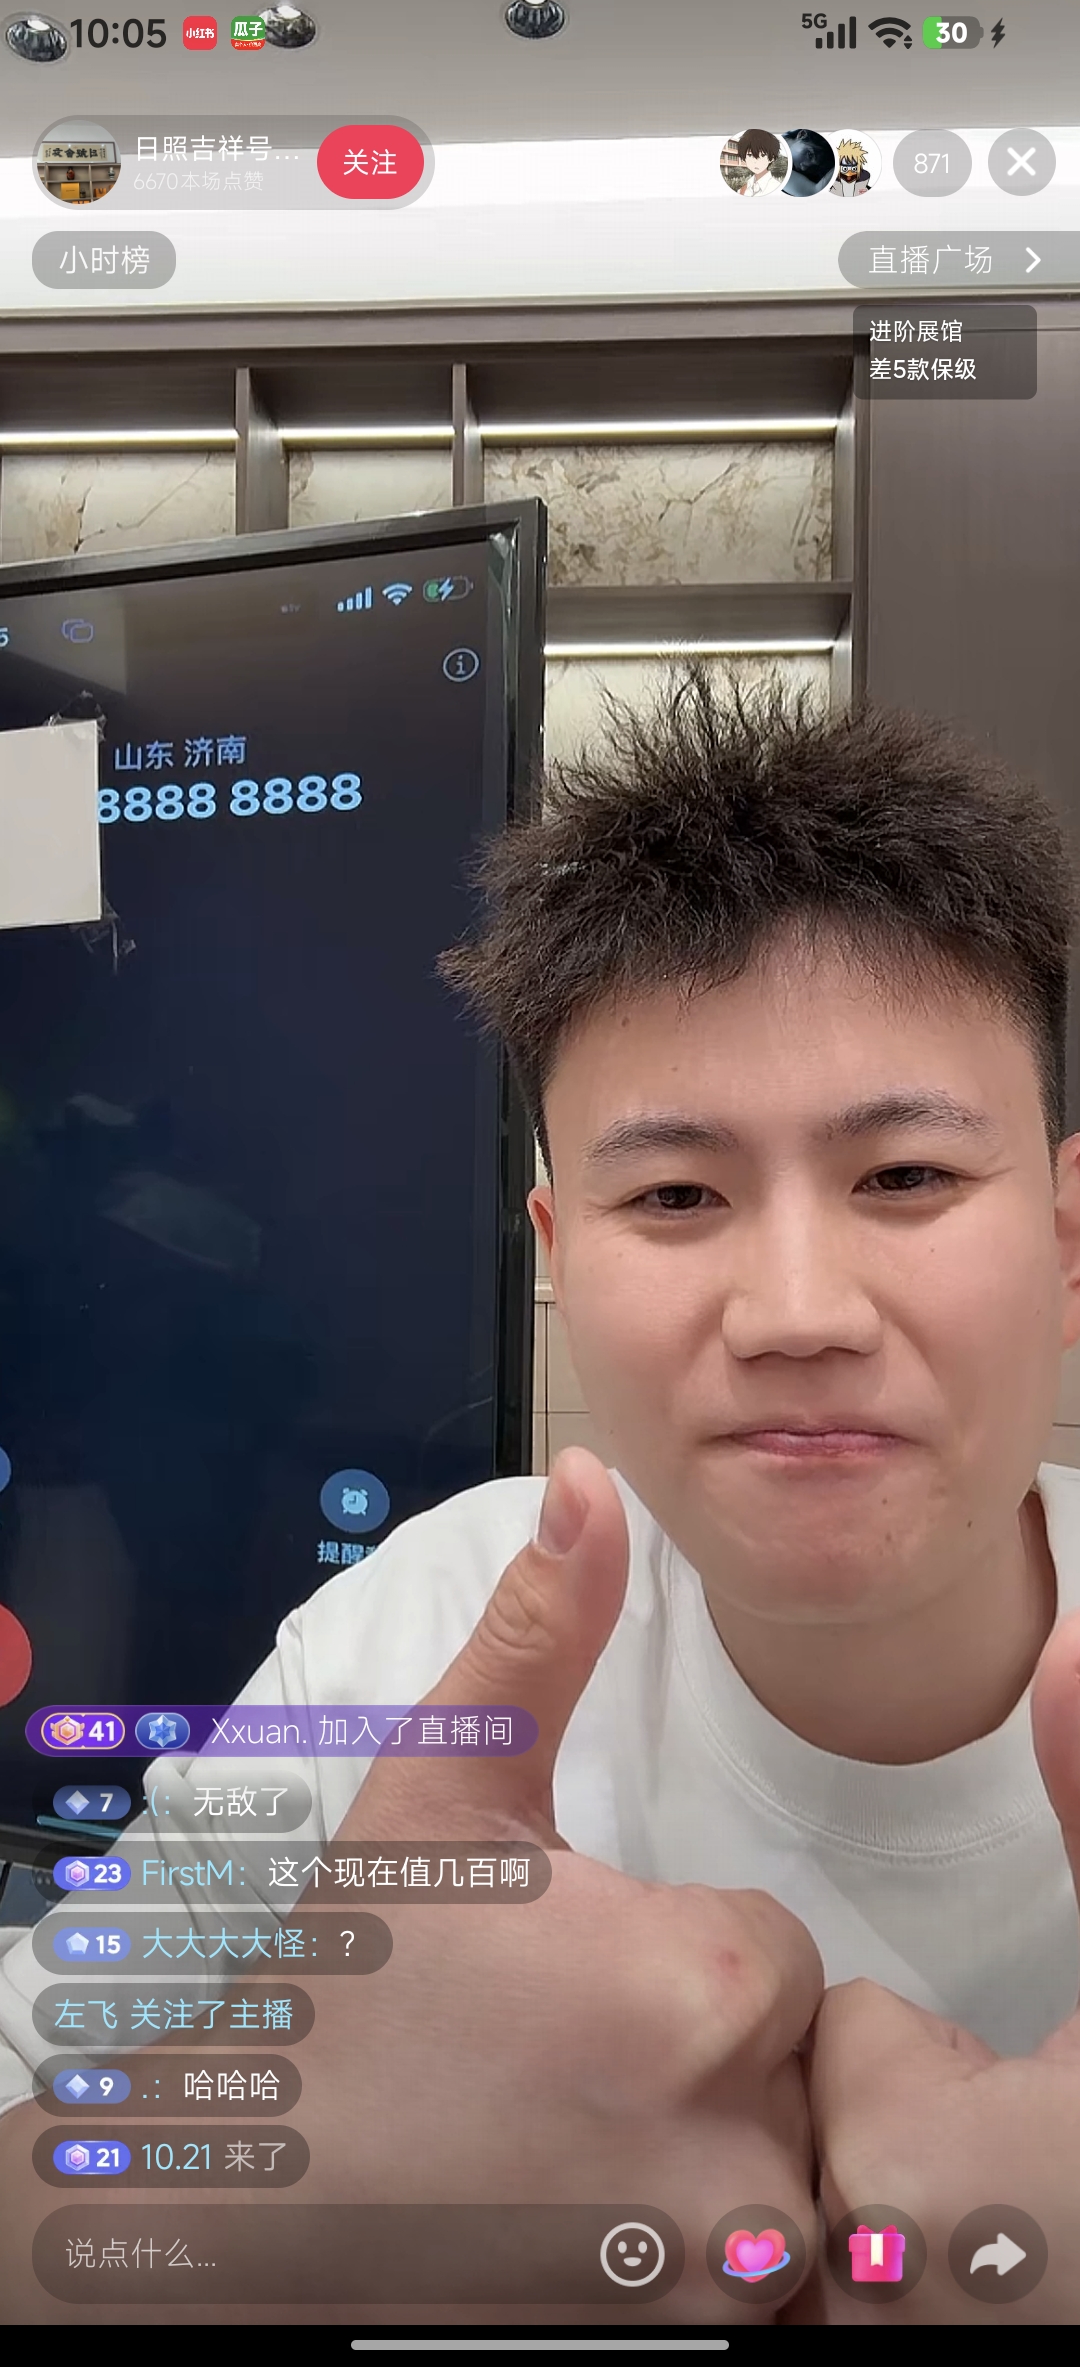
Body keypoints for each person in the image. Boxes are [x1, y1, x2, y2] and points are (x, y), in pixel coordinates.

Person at [4, 667, 1080, 2324]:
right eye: (676, 1195)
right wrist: (273, 2197)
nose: (798, 1312)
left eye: (907, 1175)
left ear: (1066, 1243)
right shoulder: (413, 1638)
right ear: (559, 1252)